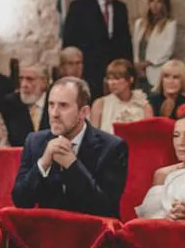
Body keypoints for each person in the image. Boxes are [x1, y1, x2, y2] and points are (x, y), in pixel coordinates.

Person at [12, 77, 129, 218]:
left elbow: (105, 208)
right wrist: (43, 163)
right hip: (49, 234)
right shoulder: (35, 141)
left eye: (63, 106)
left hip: (92, 235)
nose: (54, 114)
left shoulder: (113, 147)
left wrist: (72, 165)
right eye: (51, 105)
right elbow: (21, 201)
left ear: (83, 112)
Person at [62, 0, 133, 99]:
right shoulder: (80, 6)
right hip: (90, 68)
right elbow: (69, 39)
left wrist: (128, 67)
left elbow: (125, 40)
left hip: (114, 71)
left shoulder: (120, 8)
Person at [89, 59, 152, 135]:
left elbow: (149, 136)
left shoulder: (143, 105)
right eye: (109, 78)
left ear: (130, 79)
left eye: (117, 78)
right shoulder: (100, 104)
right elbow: (93, 137)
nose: (112, 83)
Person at [133, 0, 177, 92]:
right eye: (152, 0)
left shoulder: (169, 25)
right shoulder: (139, 24)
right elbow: (135, 46)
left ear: (164, 4)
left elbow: (167, 49)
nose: (155, 4)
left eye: (159, 1)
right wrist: (137, 65)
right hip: (138, 73)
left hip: (155, 71)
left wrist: (148, 63)